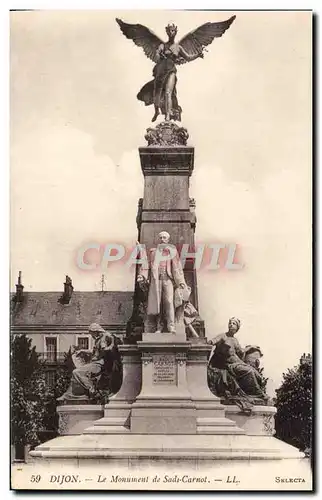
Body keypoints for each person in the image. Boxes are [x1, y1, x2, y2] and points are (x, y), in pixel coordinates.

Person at [137, 23, 204, 122]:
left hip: (171, 70)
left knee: (168, 92)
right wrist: (158, 54)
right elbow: (156, 57)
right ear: (167, 32)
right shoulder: (162, 46)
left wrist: (198, 54)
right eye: (169, 31)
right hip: (161, 70)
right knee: (157, 93)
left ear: (175, 32)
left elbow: (188, 57)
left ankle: (167, 116)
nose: (171, 33)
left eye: (173, 31)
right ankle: (156, 111)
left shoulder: (178, 48)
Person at [208, 318, 268, 410]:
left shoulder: (235, 340)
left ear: (237, 328)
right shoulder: (223, 336)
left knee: (254, 372)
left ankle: (255, 394)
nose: (231, 325)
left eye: (234, 324)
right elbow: (212, 341)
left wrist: (251, 347)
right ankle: (256, 393)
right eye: (230, 323)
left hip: (237, 363)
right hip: (229, 365)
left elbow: (241, 351)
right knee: (249, 371)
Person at [137, 231, 189, 333]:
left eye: (164, 238)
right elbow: (146, 265)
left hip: (168, 279)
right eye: (160, 237)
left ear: (168, 240)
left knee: (169, 302)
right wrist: (142, 275)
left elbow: (177, 267)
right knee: (158, 304)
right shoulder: (153, 252)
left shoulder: (172, 252)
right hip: (156, 281)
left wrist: (181, 281)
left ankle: (171, 326)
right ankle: (159, 327)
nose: (162, 239)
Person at [58, 323, 121, 402]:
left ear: (96, 331)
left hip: (99, 364)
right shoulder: (99, 339)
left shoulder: (104, 337)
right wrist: (83, 351)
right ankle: (69, 395)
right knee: (76, 373)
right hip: (95, 362)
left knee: (76, 372)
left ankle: (92, 390)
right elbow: (96, 352)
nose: (91, 336)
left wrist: (110, 346)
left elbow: (106, 350)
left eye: (92, 334)